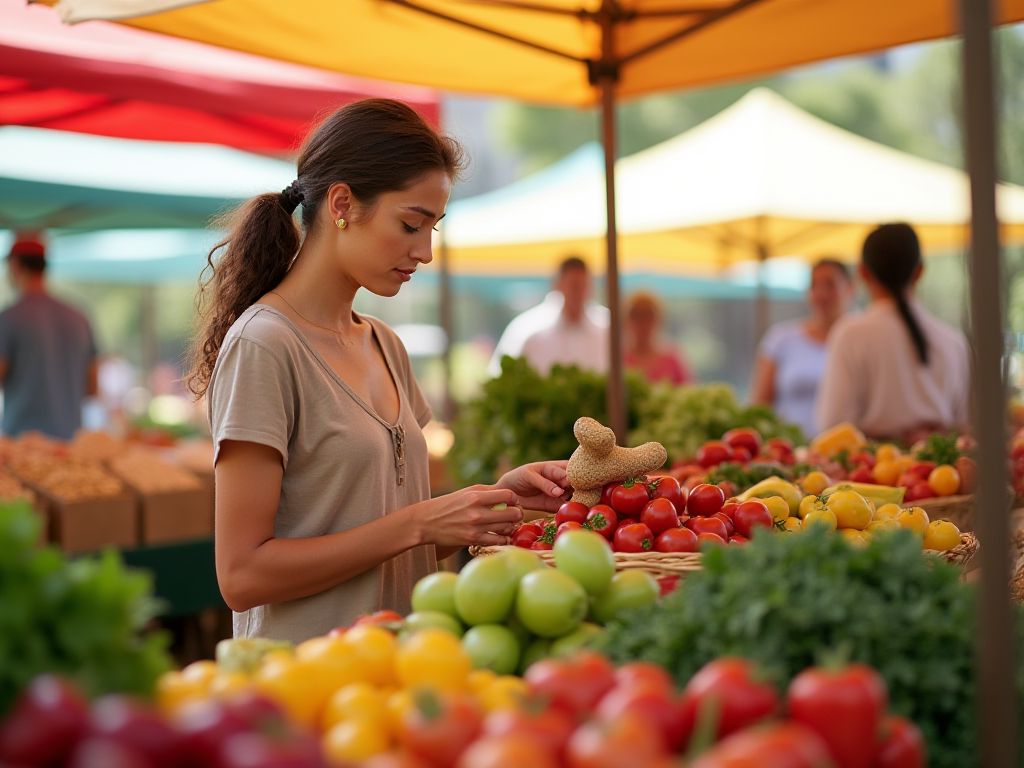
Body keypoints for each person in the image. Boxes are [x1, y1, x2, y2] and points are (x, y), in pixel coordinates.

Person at [188, 99, 568, 644]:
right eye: (412, 224)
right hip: (307, 689)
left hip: (401, 671)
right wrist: (419, 523)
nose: (426, 251)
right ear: (342, 203)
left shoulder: (386, 345)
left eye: (433, 228)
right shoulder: (266, 345)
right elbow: (242, 576)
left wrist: (487, 503)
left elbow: (388, 536)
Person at [816, 223, 970, 441]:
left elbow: (833, 427)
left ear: (863, 273)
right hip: (943, 472)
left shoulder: (850, 334)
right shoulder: (953, 342)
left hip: (870, 473)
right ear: (919, 272)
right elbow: (966, 426)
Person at [0, 235, 98, 439]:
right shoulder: (79, 316)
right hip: (69, 439)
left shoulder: (9, 318)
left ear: (16, 265)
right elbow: (92, 387)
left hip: (21, 442)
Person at [750, 258, 854, 438]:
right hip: (790, 452)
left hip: (847, 454)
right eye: (815, 285)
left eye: (830, 285)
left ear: (850, 288)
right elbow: (760, 407)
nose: (822, 294)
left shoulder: (860, 341)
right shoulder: (781, 339)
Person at [487, 255, 610, 376]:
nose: (579, 293)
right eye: (573, 286)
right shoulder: (528, 329)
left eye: (583, 285)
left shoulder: (606, 329)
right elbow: (500, 374)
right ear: (558, 285)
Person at [622, 291, 692, 385]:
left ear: (658, 319)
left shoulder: (672, 358)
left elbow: (686, 388)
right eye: (637, 315)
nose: (643, 322)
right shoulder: (620, 359)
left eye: (648, 316)